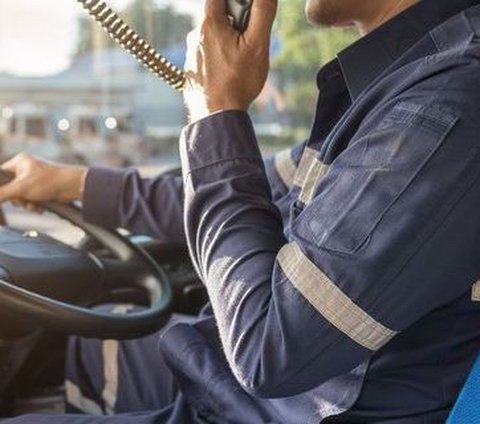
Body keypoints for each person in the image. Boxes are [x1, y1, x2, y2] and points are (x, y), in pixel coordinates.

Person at [2, 0, 480, 422]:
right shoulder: (397, 87)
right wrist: (72, 182)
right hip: (240, 386)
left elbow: (267, 352)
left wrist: (216, 109)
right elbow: (247, 192)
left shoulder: (438, 112)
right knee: (87, 341)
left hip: (272, 401)